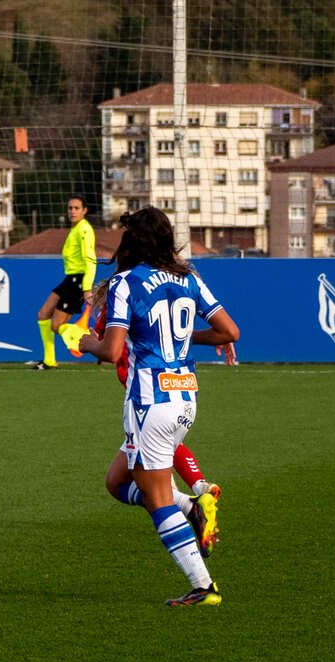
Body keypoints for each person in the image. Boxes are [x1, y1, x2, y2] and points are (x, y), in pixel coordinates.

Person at [78, 207, 239, 606]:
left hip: (150, 402)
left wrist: (85, 343)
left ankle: (204, 587)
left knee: (156, 500)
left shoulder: (125, 283)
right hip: (185, 397)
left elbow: (112, 349)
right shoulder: (189, 277)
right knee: (117, 482)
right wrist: (186, 339)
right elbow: (229, 331)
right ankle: (193, 507)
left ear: (134, 240)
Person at [29, 196, 97, 370]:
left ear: (84, 211)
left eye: (76, 208)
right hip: (69, 279)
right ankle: (49, 360)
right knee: (43, 313)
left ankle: (85, 337)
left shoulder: (84, 230)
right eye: (70, 208)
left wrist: (87, 288)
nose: (72, 211)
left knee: (56, 325)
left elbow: (90, 260)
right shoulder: (74, 229)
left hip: (79, 281)